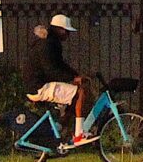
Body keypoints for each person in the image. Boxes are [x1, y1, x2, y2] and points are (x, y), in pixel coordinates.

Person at [26, 15, 96, 146]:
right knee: (80, 93)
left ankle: (57, 129)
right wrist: (73, 78)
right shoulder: (47, 45)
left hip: (41, 84)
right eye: (66, 31)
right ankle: (79, 134)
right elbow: (51, 70)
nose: (68, 34)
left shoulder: (51, 43)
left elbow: (60, 65)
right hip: (39, 87)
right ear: (59, 29)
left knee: (74, 99)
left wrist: (77, 75)